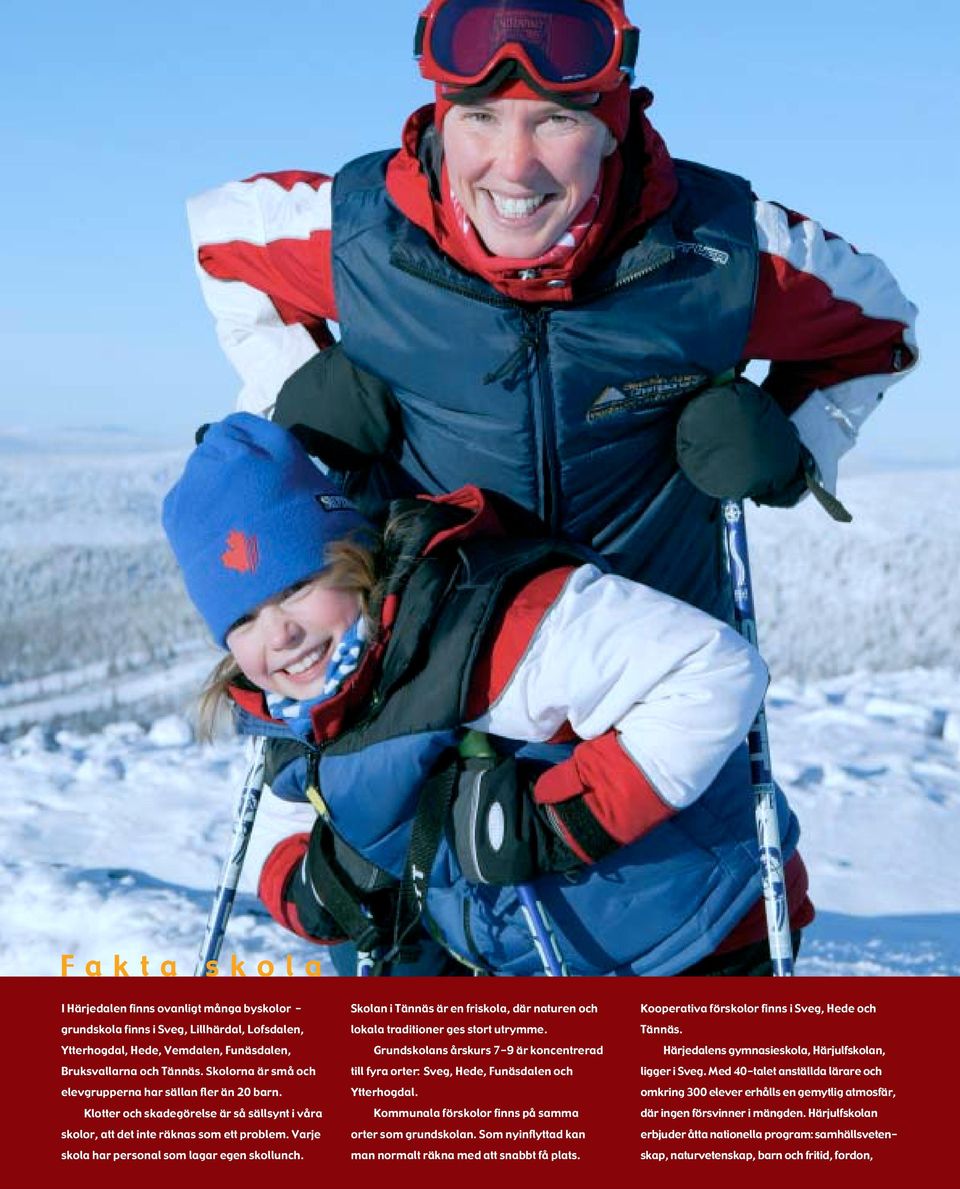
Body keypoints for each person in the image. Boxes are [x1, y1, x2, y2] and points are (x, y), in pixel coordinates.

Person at [186, 0, 918, 615]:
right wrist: (295, 382)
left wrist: (792, 447)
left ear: (612, 126)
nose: (513, 165)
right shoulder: (368, 237)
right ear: (442, 119)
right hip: (426, 668)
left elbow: (881, 326)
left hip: (654, 681)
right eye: (479, 117)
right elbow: (219, 238)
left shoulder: (720, 251)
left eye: (556, 120)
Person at [162, 413, 812, 976]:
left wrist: (557, 818)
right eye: (243, 619)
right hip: (547, 950)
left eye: (297, 586)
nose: (280, 634)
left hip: (704, 921)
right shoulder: (296, 707)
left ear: (353, 556)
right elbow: (292, 818)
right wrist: (307, 887)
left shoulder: (483, 621)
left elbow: (714, 671)